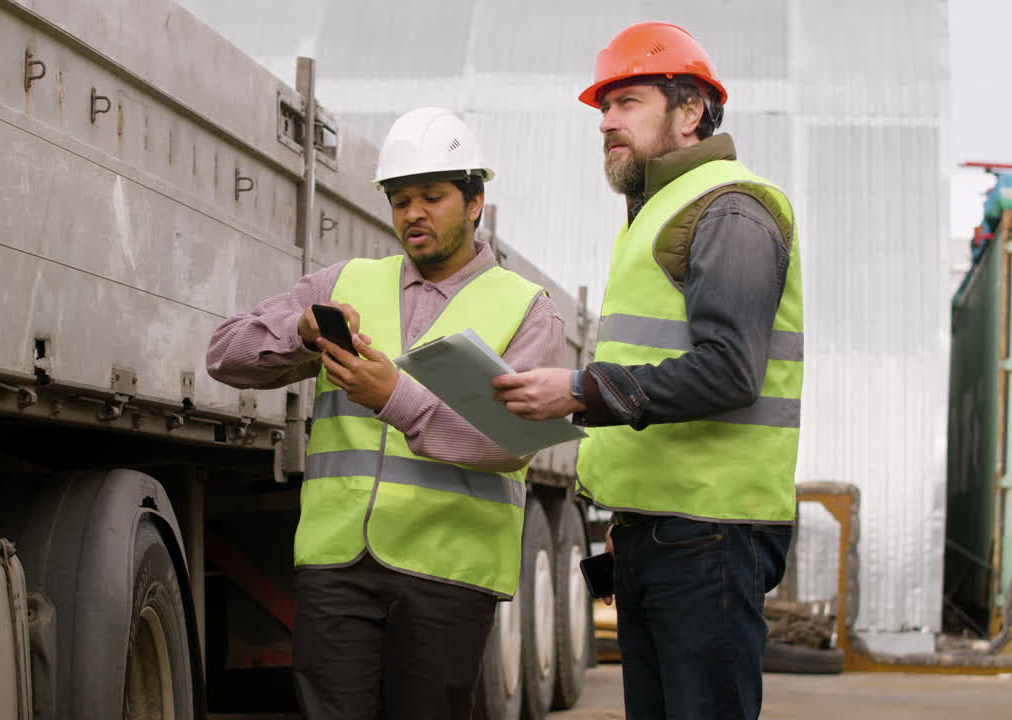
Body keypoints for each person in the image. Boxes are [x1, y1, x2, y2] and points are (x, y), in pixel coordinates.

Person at [206, 107, 565, 719]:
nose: (413, 214)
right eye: (400, 200)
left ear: (475, 202)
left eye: (432, 196)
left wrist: (393, 396)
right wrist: (299, 330)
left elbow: (515, 439)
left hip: (447, 573)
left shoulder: (526, 309)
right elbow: (225, 354)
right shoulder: (344, 283)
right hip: (336, 564)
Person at [492, 21, 804, 720]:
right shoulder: (654, 214)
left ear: (690, 111)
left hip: (709, 536)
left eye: (627, 102)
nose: (606, 122)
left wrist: (578, 389)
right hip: (661, 532)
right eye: (603, 109)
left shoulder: (729, 208)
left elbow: (731, 371)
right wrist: (626, 513)